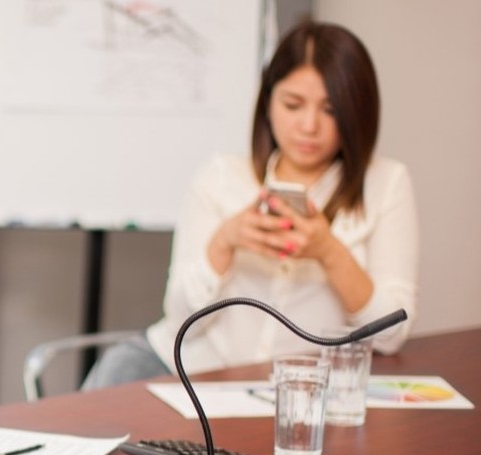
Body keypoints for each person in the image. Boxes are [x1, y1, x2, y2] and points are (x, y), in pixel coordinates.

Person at [81, 21, 418, 389]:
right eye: (293, 104)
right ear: (268, 104)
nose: (308, 125)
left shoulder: (387, 184)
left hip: (299, 391)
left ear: (357, 113)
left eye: (331, 110)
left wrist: (330, 253)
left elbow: (392, 335)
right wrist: (224, 243)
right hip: (188, 373)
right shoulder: (221, 176)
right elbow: (179, 321)